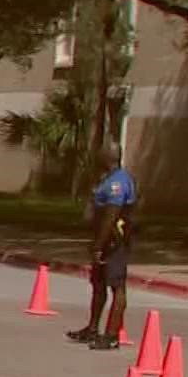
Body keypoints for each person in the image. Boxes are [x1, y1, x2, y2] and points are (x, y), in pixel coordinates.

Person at [67, 140, 138, 350]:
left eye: (100, 153)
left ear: (108, 156)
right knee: (98, 285)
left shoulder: (119, 182)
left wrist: (99, 245)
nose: (97, 156)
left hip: (114, 242)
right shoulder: (106, 179)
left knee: (117, 286)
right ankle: (92, 328)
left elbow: (111, 215)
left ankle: (112, 335)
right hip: (102, 239)